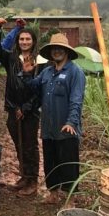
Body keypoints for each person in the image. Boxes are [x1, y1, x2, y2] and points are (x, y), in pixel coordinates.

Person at [24, 33, 86, 205]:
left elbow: (76, 100)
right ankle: (53, 194)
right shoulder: (47, 72)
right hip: (48, 127)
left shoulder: (75, 72)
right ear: (50, 52)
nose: (57, 51)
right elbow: (32, 87)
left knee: (68, 163)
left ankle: (70, 199)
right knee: (50, 160)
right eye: (54, 49)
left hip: (66, 127)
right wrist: (27, 73)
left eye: (60, 49)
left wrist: (71, 122)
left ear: (66, 51)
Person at [0, 18, 42, 196]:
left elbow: (39, 89)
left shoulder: (39, 62)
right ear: (17, 42)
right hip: (13, 108)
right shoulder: (11, 58)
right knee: (19, 144)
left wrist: (25, 108)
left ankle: (33, 180)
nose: (24, 42)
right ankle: (24, 176)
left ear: (33, 42)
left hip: (31, 110)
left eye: (28, 39)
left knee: (30, 145)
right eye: (21, 39)